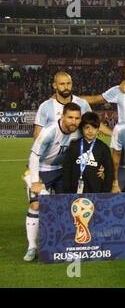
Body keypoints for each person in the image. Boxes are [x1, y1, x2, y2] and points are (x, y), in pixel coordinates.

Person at [23, 102, 82, 261]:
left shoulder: (78, 132)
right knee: (36, 205)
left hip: (62, 171)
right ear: (62, 117)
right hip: (41, 170)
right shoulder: (49, 131)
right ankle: (32, 246)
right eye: (70, 117)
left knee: (66, 206)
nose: (73, 121)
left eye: (77, 118)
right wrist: (35, 180)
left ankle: (63, 243)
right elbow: (34, 156)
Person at [34, 71, 111, 139]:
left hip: (76, 152)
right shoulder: (45, 106)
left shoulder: (82, 104)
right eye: (62, 84)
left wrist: (114, 135)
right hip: (54, 154)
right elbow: (38, 134)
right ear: (55, 86)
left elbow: (95, 123)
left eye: (68, 83)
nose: (66, 87)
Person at [62, 112, 114, 193]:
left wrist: (105, 191)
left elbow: (110, 171)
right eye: (87, 127)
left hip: (96, 191)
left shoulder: (103, 148)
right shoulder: (74, 146)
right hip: (74, 191)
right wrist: (68, 191)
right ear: (82, 128)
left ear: (98, 129)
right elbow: (67, 170)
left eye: (94, 128)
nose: (90, 131)